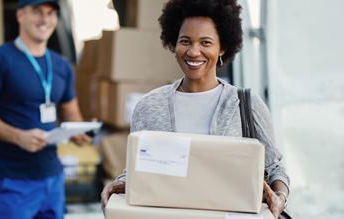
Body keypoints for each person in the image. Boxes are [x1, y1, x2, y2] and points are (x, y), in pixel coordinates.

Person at [100, 0, 290, 218]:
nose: (193, 51)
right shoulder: (150, 105)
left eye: (206, 42)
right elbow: (141, 167)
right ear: (174, 43)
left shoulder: (246, 104)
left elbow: (275, 168)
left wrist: (280, 197)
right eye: (185, 41)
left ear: (223, 47)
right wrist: (119, 183)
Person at [0, 0, 91, 218]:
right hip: (13, 179)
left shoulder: (61, 65)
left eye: (51, 13)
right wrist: (18, 136)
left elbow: (71, 113)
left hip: (52, 176)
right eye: (37, 12)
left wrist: (81, 132)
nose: (45, 19)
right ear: (20, 15)